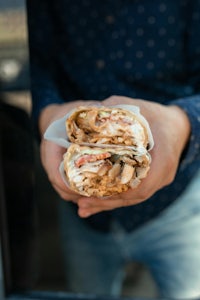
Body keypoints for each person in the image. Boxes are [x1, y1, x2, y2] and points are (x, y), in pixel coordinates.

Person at [26, 0, 200, 299]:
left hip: (178, 205)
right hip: (82, 215)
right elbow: (38, 65)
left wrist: (180, 122)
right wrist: (48, 114)